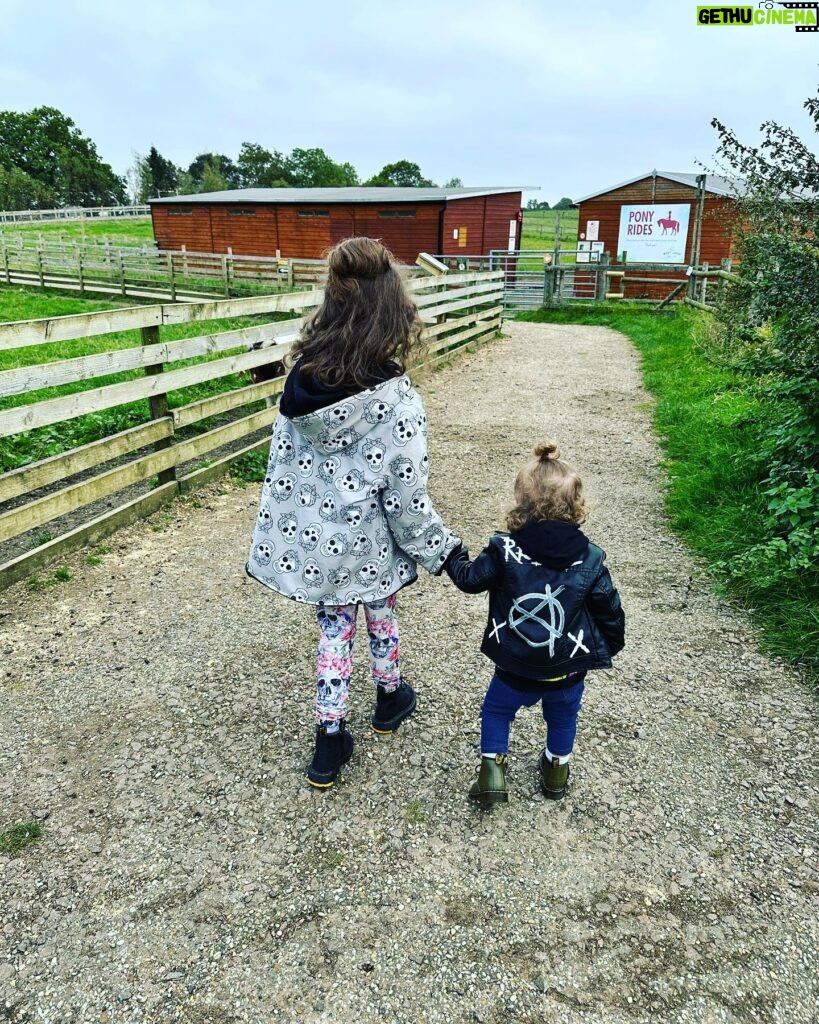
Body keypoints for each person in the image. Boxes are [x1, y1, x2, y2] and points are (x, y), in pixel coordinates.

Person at [247, 237, 460, 789]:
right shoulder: (396, 402)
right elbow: (407, 502)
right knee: (381, 614)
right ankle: (389, 699)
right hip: (374, 551)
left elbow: (284, 476)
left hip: (323, 548)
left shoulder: (300, 387)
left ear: (332, 302)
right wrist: (448, 556)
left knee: (334, 631)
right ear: (394, 309)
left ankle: (330, 738)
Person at [444, 441, 625, 807]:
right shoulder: (590, 559)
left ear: (521, 503)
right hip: (567, 668)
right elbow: (609, 608)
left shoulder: (504, 549)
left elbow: (469, 580)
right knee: (562, 717)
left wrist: (453, 555)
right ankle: (556, 774)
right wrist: (610, 645)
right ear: (576, 505)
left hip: (515, 667)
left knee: (497, 710)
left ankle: (492, 773)